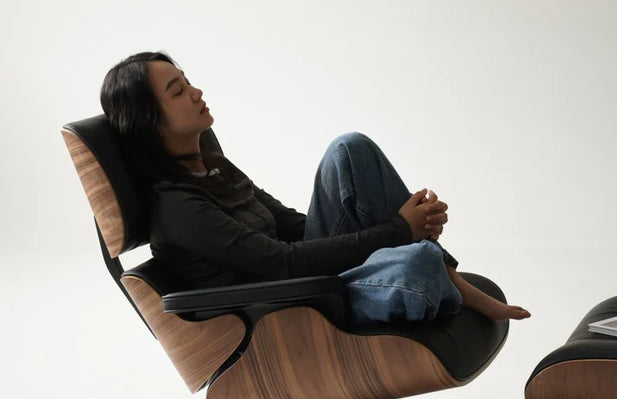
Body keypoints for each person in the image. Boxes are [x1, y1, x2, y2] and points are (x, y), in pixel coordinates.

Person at [100, 51, 530, 325]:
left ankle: (449, 278)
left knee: (350, 149)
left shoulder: (213, 167)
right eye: (177, 91)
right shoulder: (176, 206)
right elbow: (283, 264)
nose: (196, 92)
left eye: (187, 80)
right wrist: (398, 233)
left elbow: (289, 225)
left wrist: (382, 222)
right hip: (289, 309)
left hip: (311, 283)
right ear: (151, 123)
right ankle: (443, 276)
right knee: (414, 265)